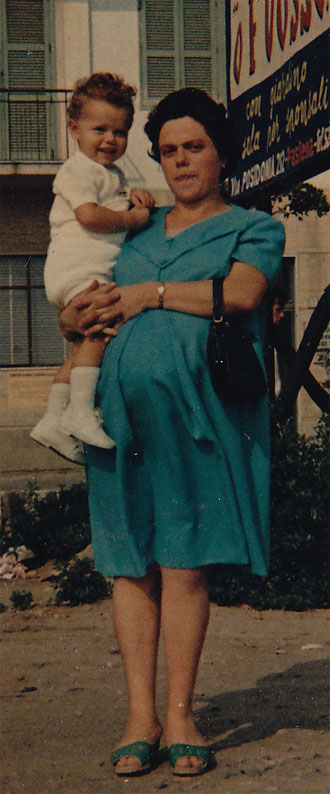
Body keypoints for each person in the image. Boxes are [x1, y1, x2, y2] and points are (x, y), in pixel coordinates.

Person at [60, 87, 285, 777]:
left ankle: (182, 714)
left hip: (201, 423)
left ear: (222, 154)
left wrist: (148, 295)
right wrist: (74, 322)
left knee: (184, 566)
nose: (180, 160)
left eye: (194, 147)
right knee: (129, 566)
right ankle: (140, 716)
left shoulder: (253, 227)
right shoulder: (134, 229)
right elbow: (85, 296)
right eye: (168, 150)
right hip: (118, 425)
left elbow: (243, 294)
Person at [30, 73, 154, 464]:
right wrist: (135, 219)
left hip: (79, 270)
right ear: (73, 129)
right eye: (99, 129)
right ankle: (82, 414)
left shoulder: (108, 174)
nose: (110, 140)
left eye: (120, 131)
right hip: (79, 269)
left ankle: (53, 418)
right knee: (98, 334)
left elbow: (108, 204)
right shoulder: (77, 169)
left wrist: (133, 197)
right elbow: (89, 216)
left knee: (83, 347)